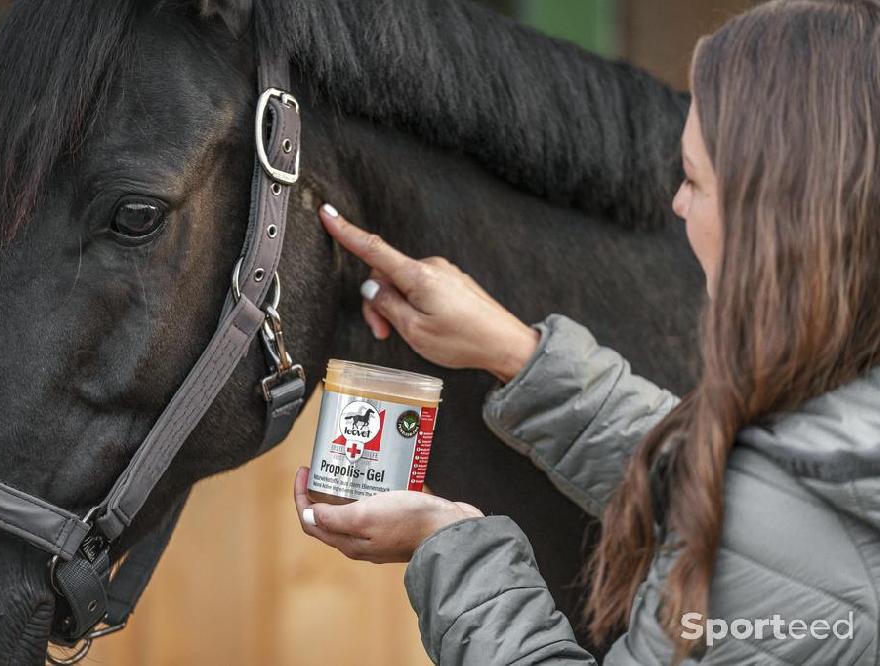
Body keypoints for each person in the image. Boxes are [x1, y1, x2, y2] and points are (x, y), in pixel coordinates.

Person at [293, 1, 880, 663]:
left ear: (774, 215)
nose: (678, 205)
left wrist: (452, 547)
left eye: (692, 178)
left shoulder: (771, 543)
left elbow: (768, 536)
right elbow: (762, 497)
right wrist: (515, 353)